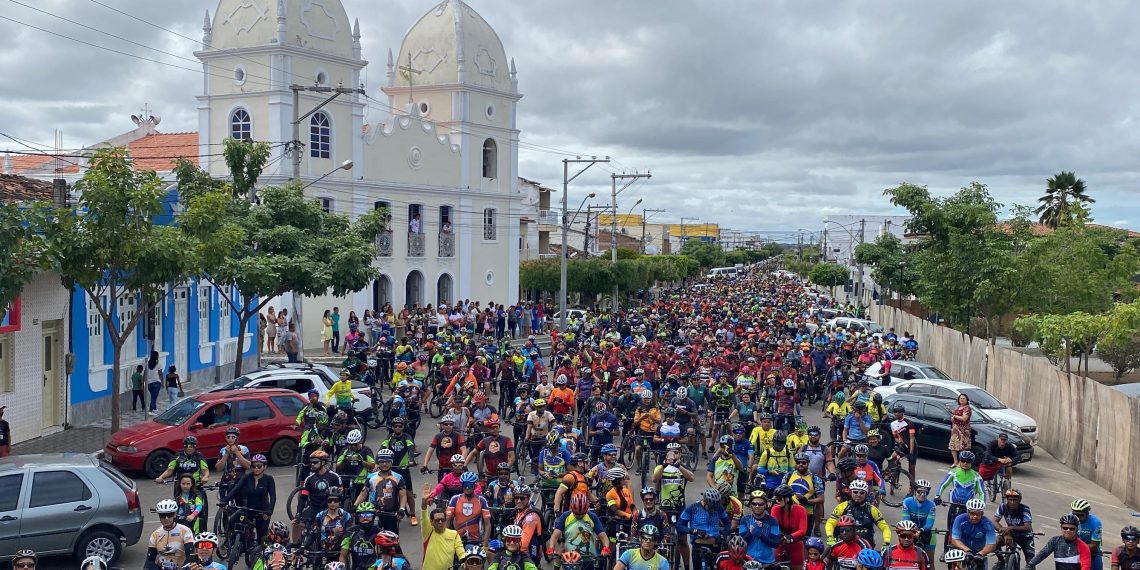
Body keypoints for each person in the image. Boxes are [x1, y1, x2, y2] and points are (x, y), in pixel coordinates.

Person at [220, 453, 276, 545]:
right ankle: (232, 542)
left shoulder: (269, 479)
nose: (256, 468)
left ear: (265, 467)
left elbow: (273, 496)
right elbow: (236, 489)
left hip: (262, 512)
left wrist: (269, 511)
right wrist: (224, 500)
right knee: (232, 521)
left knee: (261, 540)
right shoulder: (247, 477)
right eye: (254, 466)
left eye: (259, 466)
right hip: (248, 509)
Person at [935, 451, 984, 551]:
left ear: (972, 463)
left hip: (968, 508)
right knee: (950, 529)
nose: (965, 463)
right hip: (954, 505)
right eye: (963, 461)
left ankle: (966, 549)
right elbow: (943, 484)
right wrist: (937, 496)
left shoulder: (976, 476)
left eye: (968, 461)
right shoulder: (953, 472)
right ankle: (945, 552)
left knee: (967, 529)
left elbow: (982, 492)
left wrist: (980, 505)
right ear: (960, 461)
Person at [548, 494, 611, 566]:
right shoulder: (565, 516)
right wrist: (551, 547)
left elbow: (603, 536)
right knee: (559, 555)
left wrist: (606, 547)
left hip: (588, 559)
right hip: (570, 559)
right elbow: (555, 535)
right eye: (576, 514)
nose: (579, 516)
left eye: (582, 514)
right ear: (571, 509)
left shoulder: (592, 517)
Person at [825, 480, 891, 548]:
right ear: (850, 492)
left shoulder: (872, 510)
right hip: (845, 545)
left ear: (866, 494)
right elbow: (830, 522)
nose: (858, 495)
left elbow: (885, 527)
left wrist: (887, 541)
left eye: (862, 493)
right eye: (855, 492)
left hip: (866, 547)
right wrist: (830, 536)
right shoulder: (842, 507)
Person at [678, 489, 730, 570]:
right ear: (705, 501)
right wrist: (694, 531)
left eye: (715, 507)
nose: (713, 509)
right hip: (698, 545)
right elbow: (679, 526)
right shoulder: (692, 507)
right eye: (711, 507)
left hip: (715, 544)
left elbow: (727, 524)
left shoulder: (719, 508)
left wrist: (723, 535)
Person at [1027, 514, 1092, 570]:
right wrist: (1030, 565)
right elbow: (1042, 554)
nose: (1068, 530)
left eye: (1072, 529)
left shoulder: (1083, 546)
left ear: (1077, 529)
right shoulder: (1055, 541)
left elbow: (1085, 566)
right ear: (1061, 528)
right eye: (1065, 528)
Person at [146, 499, 194, 570]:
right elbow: (150, 560)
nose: (166, 518)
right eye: (163, 515)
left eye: (169, 515)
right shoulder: (155, 534)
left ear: (174, 514)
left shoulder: (185, 531)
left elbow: (190, 556)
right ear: (159, 516)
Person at [950, 499, 998, 570]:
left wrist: (981, 554)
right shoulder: (959, 519)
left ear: (982, 513)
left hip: (979, 552)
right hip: (962, 550)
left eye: (977, 514)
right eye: (972, 513)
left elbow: (992, 544)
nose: (975, 516)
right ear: (968, 512)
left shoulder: (987, 523)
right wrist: (967, 550)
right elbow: (954, 539)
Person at [771, 484, 808, 570]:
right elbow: (774, 526)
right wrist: (781, 536)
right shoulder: (775, 509)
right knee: (775, 566)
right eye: (776, 498)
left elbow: (802, 530)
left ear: (787, 498)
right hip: (780, 543)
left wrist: (791, 536)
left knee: (798, 566)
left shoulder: (801, 510)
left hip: (796, 543)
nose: (777, 501)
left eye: (779, 498)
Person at [993, 488, 1035, 563]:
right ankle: (1001, 562)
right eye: (1010, 499)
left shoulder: (1025, 509)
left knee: (1030, 561)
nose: (1012, 502)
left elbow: (1028, 527)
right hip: (1011, 534)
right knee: (995, 542)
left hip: (1025, 537)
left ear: (1019, 500)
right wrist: (1004, 532)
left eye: (1015, 500)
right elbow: (994, 521)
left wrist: (1010, 528)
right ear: (1007, 500)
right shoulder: (1003, 507)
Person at [420, 504, 466, 570]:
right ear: (431, 522)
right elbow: (424, 517)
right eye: (437, 520)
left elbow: (460, 551)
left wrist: (464, 560)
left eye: (442, 519)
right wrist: (424, 502)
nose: (440, 522)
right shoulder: (428, 532)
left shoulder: (454, 534)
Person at [901, 479, 937, 560]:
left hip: (926, 532)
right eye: (919, 491)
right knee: (905, 559)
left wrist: (920, 530)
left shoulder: (932, 505)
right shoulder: (907, 502)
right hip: (910, 531)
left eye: (926, 492)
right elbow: (906, 520)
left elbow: (929, 524)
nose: (922, 494)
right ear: (915, 491)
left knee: (930, 562)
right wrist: (914, 532)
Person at [1070, 499, 1103, 570]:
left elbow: (1094, 545)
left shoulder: (1096, 523)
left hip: (1091, 552)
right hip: (1073, 551)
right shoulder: (1070, 518)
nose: (1077, 518)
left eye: (1081, 515)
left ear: (1087, 513)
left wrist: (1076, 548)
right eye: (1075, 515)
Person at [949, 394, 972, 465]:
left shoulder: (967, 408)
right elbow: (957, 414)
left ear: (966, 400)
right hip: (955, 430)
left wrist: (955, 416)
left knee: (962, 447)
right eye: (960, 398)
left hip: (963, 430)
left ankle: (960, 462)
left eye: (963, 398)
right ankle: (955, 462)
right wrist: (950, 410)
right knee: (953, 446)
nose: (962, 399)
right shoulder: (959, 407)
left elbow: (964, 418)